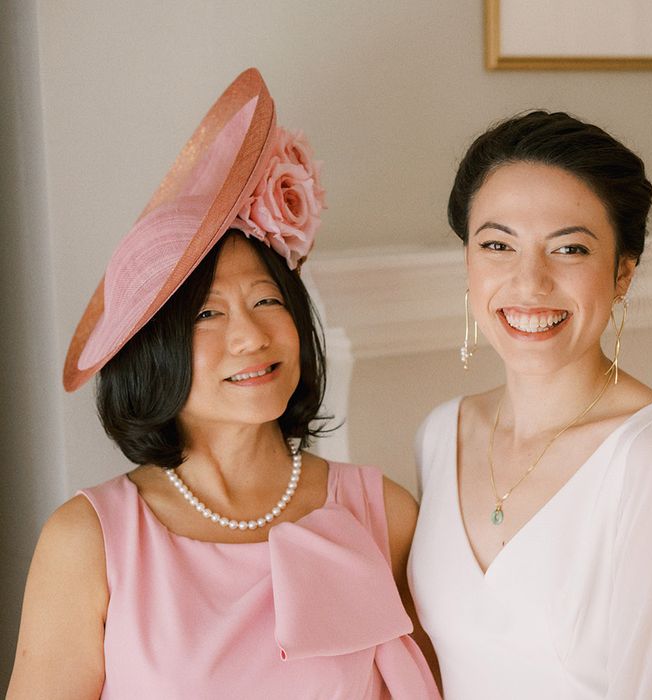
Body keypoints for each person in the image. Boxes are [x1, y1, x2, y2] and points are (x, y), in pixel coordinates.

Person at [8, 68, 440, 699]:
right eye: (208, 314)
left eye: (267, 300)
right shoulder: (87, 540)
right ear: (151, 350)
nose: (251, 336)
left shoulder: (386, 513)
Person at [408, 111, 652, 699]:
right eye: (497, 244)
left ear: (622, 272)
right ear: (469, 263)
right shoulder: (439, 434)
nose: (529, 282)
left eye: (570, 249)